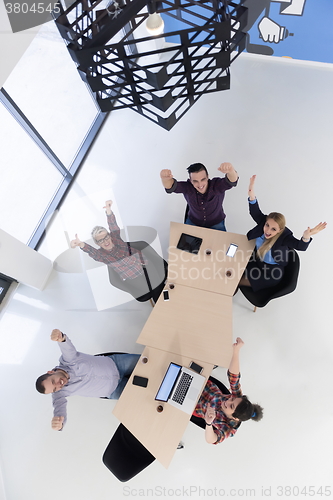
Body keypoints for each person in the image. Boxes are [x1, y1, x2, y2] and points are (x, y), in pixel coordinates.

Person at [35, 329, 140, 431]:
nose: (59, 385)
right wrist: (59, 423)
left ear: (51, 372)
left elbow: (67, 348)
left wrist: (61, 338)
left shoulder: (68, 360)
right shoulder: (60, 393)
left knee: (150, 361)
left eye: (53, 381)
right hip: (114, 390)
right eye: (55, 389)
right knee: (146, 394)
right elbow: (59, 408)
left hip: (117, 364)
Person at [239, 175, 327, 291]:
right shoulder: (262, 223)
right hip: (257, 261)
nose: (268, 231)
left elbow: (300, 246)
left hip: (271, 272)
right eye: (267, 225)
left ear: (280, 230)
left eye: (273, 229)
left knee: (235, 281)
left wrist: (306, 236)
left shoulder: (285, 237)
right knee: (231, 270)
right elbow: (255, 211)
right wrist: (251, 194)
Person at [70, 200, 167, 303]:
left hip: (144, 264)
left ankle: (167, 301)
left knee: (159, 284)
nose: (105, 241)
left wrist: (108, 210)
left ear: (110, 236)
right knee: (156, 290)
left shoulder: (116, 239)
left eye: (106, 237)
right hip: (133, 276)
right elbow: (91, 251)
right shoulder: (102, 256)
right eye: (101, 240)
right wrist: (81, 244)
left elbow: (113, 226)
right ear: (98, 244)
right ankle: (164, 306)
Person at [192, 337, 263, 444]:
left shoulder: (230, 428)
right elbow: (234, 377)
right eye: (232, 399)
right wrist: (236, 350)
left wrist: (209, 423)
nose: (228, 401)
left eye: (231, 406)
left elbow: (212, 439)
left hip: (193, 405)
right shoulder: (238, 397)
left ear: (235, 418)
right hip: (202, 385)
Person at [160, 162, 239, 231]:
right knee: (185, 246)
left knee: (221, 246)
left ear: (208, 176)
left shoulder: (216, 185)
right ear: (190, 181)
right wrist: (165, 179)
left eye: (203, 179)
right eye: (195, 181)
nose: (200, 184)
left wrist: (231, 171)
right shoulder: (188, 187)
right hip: (193, 222)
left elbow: (232, 181)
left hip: (216, 223)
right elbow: (170, 186)